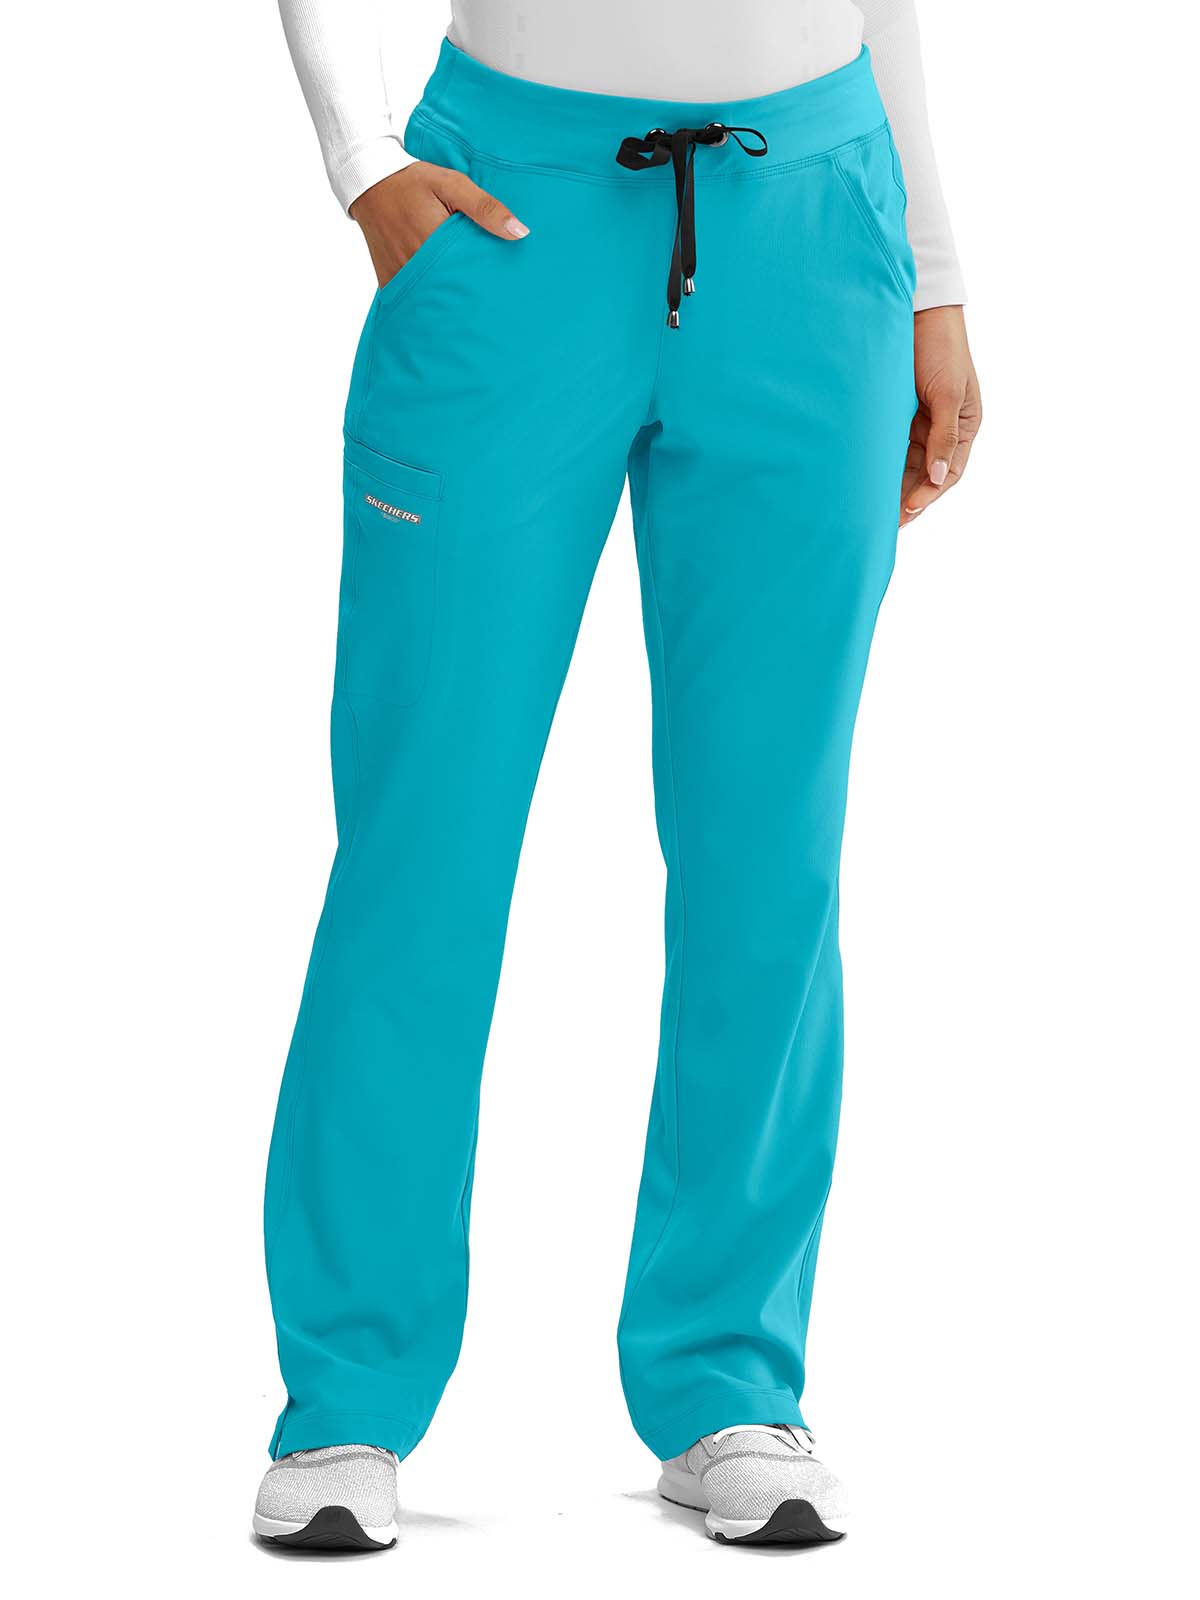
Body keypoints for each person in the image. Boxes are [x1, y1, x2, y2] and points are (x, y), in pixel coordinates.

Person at [254, 0, 982, 1550]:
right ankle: (348, 1395)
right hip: (509, 217)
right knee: (423, 839)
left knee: (769, 851)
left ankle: (731, 1377)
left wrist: (933, 274)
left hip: (817, 222)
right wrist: (360, 158)